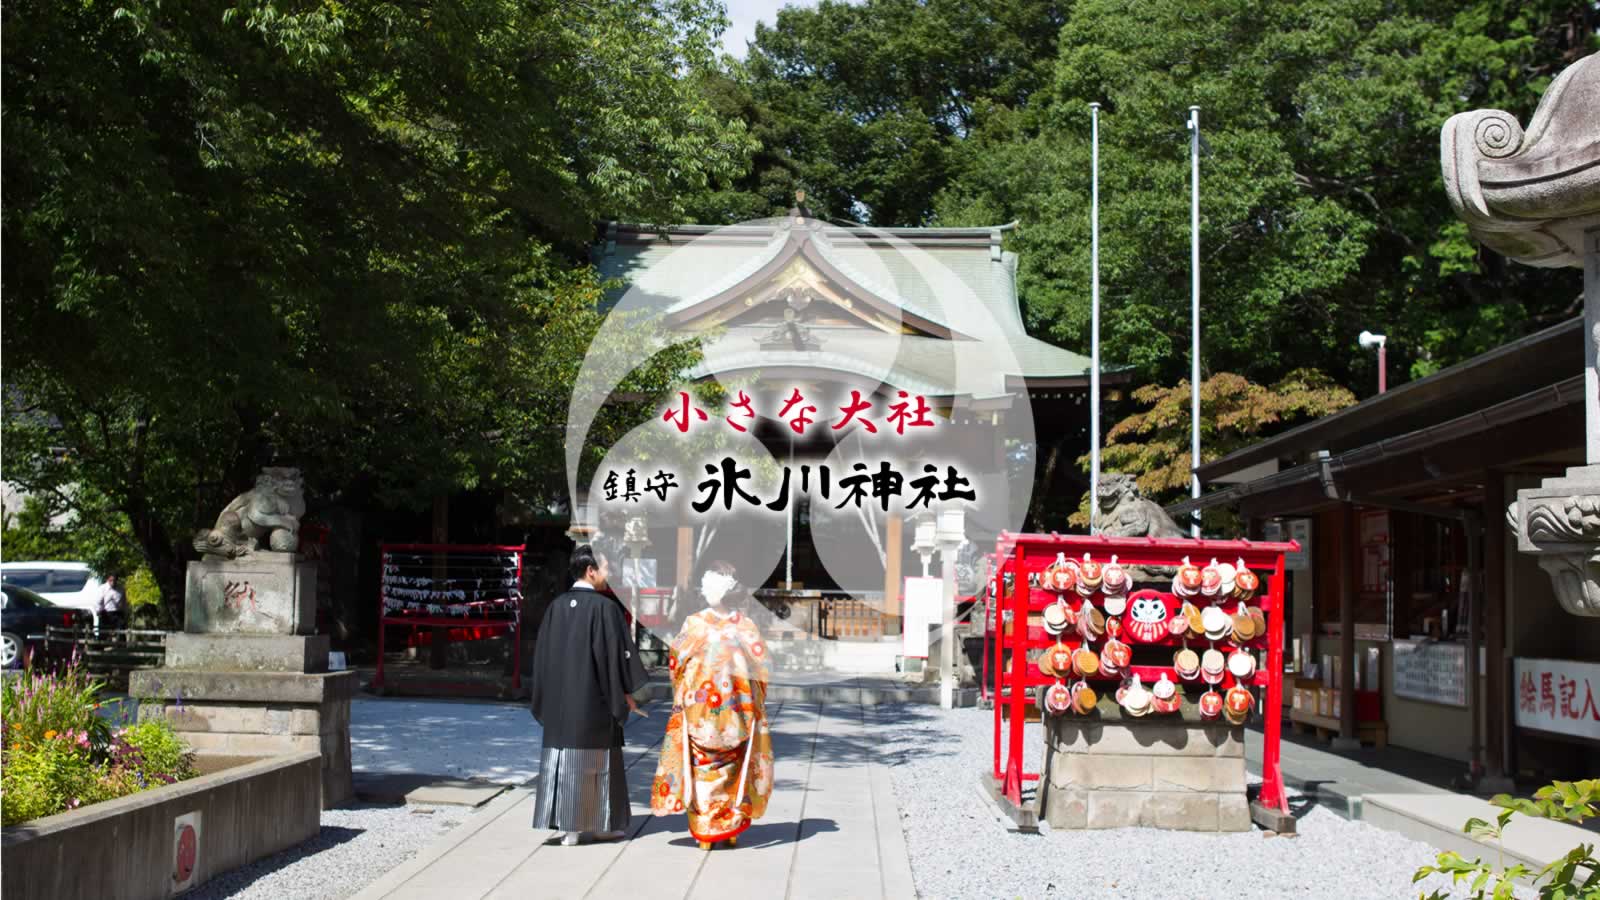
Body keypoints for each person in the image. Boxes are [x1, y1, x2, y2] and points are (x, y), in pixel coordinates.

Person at [529, 545, 648, 846]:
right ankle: (600, 825)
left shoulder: (555, 607)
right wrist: (625, 694)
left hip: (559, 706)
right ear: (591, 570)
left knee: (564, 760)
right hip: (593, 704)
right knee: (597, 764)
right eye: (606, 568)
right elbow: (614, 660)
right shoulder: (605, 608)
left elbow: (541, 659)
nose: (610, 575)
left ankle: (569, 828)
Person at [650, 561, 774, 850]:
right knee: (732, 768)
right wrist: (753, 698)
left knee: (702, 768)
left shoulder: (694, 625)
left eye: (708, 584)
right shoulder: (744, 626)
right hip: (737, 712)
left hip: (700, 712)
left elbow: (675, 663)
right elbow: (763, 665)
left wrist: (683, 693)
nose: (704, 589)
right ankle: (729, 828)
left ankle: (705, 828)